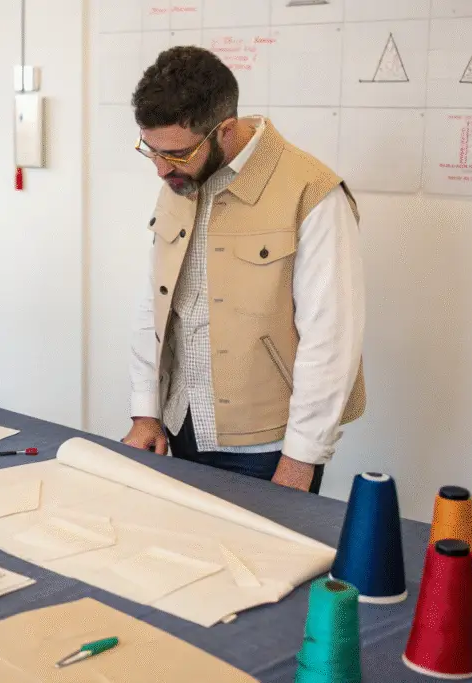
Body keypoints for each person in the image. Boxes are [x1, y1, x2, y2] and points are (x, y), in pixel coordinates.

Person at [122, 46, 366, 493]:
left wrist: (301, 459)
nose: (160, 169)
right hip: (180, 426)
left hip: (267, 450)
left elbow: (331, 338)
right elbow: (154, 303)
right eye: (150, 150)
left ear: (226, 131)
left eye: (175, 154)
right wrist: (146, 411)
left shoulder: (313, 193)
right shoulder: (179, 177)